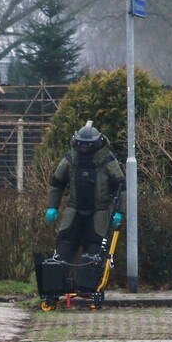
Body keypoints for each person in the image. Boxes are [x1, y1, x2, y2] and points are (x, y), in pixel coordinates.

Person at [44, 121, 125, 290]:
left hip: (99, 211)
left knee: (95, 247)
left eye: (88, 146)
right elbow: (57, 183)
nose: (84, 149)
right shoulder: (70, 159)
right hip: (74, 208)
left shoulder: (107, 159)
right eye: (81, 145)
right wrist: (52, 206)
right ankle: (55, 285)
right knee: (64, 242)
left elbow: (121, 186)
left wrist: (119, 211)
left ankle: (87, 286)